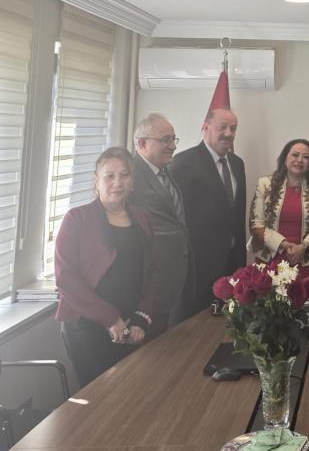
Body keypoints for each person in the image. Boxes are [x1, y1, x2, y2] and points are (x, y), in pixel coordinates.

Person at [55, 148, 154, 388]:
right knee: (98, 396)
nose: (117, 183)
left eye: (124, 175)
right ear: (96, 181)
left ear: (132, 182)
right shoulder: (76, 218)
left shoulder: (142, 217)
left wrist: (141, 317)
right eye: (109, 176)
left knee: (129, 392)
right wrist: (110, 319)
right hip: (87, 325)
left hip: (130, 324)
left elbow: (151, 271)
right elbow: (66, 278)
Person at [169, 108, 246, 315]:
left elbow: (237, 216)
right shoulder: (183, 163)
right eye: (223, 127)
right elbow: (177, 218)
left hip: (232, 265)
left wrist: (241, 262)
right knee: (196, 328)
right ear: (205, 128)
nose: (229, 133)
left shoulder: (237, 164)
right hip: (197, 269)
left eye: (233, 128)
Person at [131, 113, 192, 331]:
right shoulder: (129, 176)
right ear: (142, 143)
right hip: (147, 286)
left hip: (172, 281)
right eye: (165, 140)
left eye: (173, 139)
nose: (173, 146)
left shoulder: (165, 171)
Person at [248, 139, 309, 286]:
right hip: (269, 259)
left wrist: (303, 247)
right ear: (285, 158)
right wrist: (282, 244)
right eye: (295, 155)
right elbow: (255, 225)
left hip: (302, 260)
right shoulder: (265, 184)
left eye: (306, 157)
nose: (300, 160)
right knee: (269, 300)